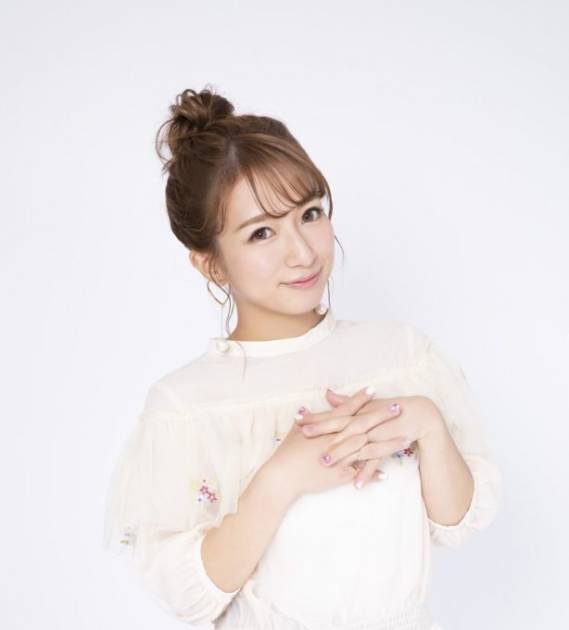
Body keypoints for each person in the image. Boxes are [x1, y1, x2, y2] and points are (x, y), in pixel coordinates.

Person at [102, 86, 502, 630]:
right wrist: (280, 478)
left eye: (310, 214)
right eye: (262, 232)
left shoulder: (401, 356)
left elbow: (456, 523)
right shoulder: (188, 406)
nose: (303, 251)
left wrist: (428, 426)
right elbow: (190, 596)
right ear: (211, 264)